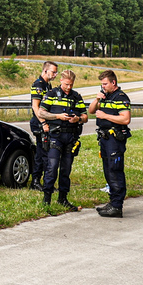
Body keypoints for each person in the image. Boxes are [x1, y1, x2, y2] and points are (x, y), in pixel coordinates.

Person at [34, 68, 84, 210]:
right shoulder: (51, 94)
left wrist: (78, 119)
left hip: (70, 137)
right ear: (61, 80)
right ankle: (47, 200)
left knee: (66, 170)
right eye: (66, 84)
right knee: (52, 168)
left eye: (71, 84)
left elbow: (85, 116)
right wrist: (58, 116)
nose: (68, 87)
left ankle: (63, 198)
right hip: (55, 136)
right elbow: (41, 113)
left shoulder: (76, 96)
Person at [88, 69, 132, 218]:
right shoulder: (105, 96)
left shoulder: (121, 97)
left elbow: (125, 119)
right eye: (102, 84)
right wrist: (97, 99)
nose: (103, 86)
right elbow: (91, 111)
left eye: (105, 84)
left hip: (115, 139)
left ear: (113, 82)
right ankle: (112, 202)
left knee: (115, 170)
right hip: (105, 139)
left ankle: (117, 206)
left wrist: (105, 115)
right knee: (108, 171)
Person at [27, 61, 59, 191]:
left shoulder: (47, 84)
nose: (55, 75)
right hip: (39, 123)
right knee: (42, 154)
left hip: (45, 122)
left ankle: (46, 182)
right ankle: (36, 182)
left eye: (56, 72)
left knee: (45, 153)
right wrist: (43, 123)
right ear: (45, 71)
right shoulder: (38, 85)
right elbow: (36, 107)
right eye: (53, 72)